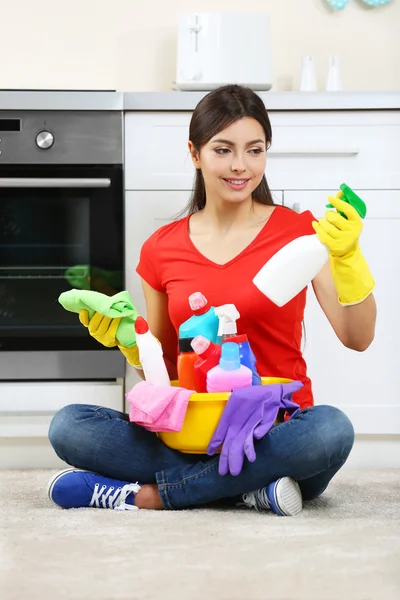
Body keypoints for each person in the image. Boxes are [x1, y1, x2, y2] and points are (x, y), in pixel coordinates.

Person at [47, 85, 376, 516]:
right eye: (223, 150)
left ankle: (152, 494)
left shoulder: (302, 234)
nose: (240, 165)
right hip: (189, 432)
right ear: (195, 152)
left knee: (331, 431)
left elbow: (358, 337)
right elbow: (163, 367)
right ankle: (248, 491)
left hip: (277, 432)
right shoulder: (161, 248)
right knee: (69, 426)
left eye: (254, 150)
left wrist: (348, 258)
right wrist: (131, 342)